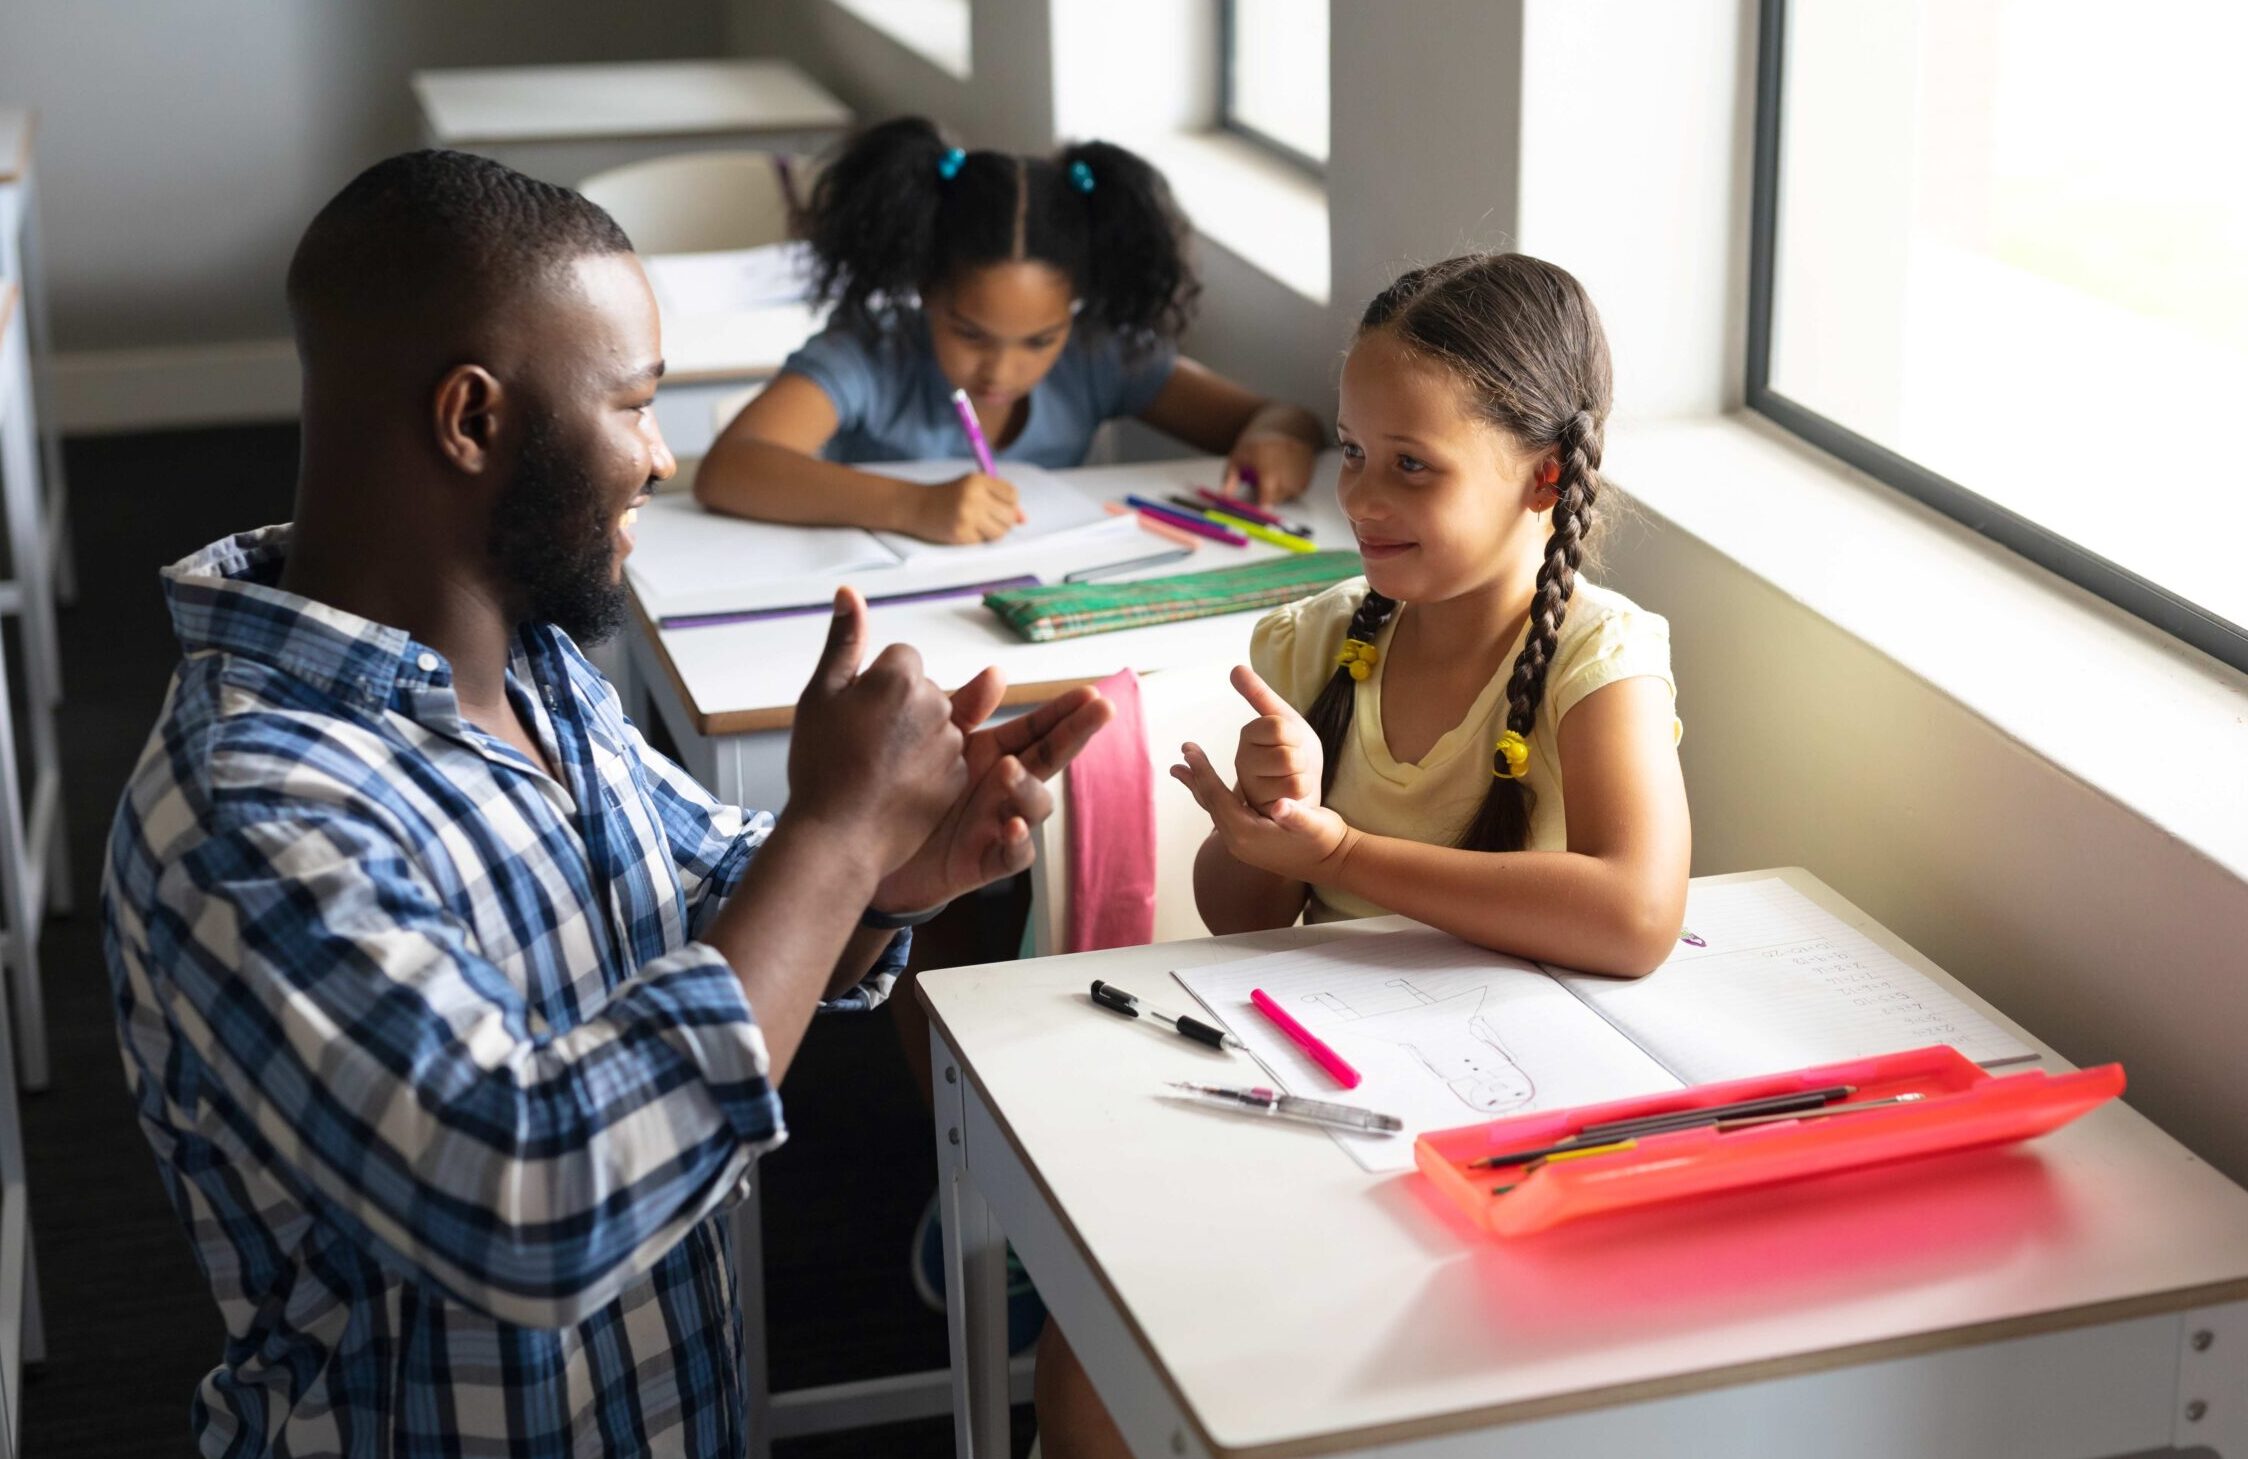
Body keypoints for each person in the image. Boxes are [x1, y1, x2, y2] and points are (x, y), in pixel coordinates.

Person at [101, 148, 1109, 1459]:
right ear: (472, 420)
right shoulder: (245, 812)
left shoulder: (536, 665)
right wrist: (836, 832)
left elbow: (712, 895)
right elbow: (536, 1201)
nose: (662, 454)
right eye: (633, 404)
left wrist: (883, 870)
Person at [1035, 252, 1690, 1457]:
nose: (1361, 497)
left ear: (1541, 477)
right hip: (1330, 1083)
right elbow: (1239, 921)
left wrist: (1344, 844)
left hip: (1525, 1122)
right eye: (1350, 450)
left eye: (1411, 467)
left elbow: (1634, 914)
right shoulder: (1314, 642)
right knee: (1092, 1337)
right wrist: (1267, 835)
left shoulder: (1601, 658)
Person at [692, 115, 1325, 541]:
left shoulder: (1097, 354)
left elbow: (1280, 418)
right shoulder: (869, 353)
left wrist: (1278, 439)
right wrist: (914, 505)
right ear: (926, 290)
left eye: (1039, 341)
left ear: (1074, 309)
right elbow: (732, 469)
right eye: (969, 333)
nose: (1002, 371)